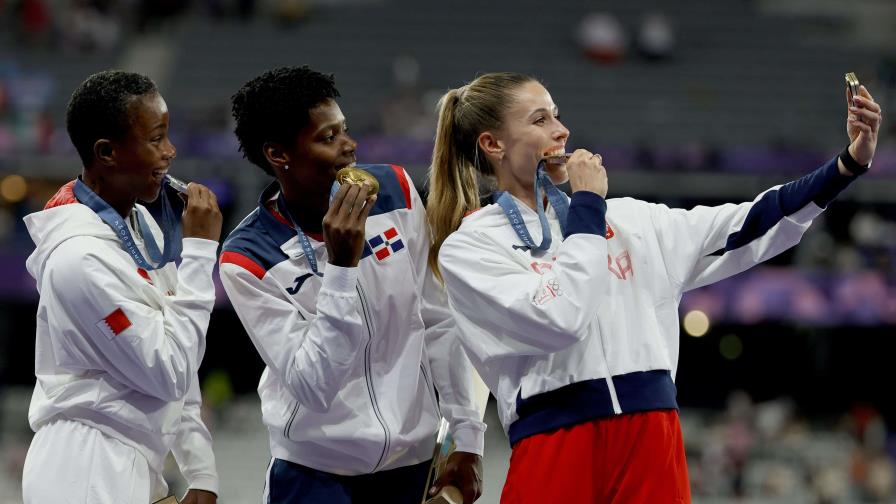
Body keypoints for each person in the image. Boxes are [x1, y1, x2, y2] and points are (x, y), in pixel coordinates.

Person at [426, 72, 882, 503]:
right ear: (493, 144)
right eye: (540, 120)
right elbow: (560, 318)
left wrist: (847, 165)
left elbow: (749, 223)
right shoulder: (471, 247)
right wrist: (586, 205)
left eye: (558, 115)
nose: (562, 131)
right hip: (554, 440)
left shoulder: (633, 219)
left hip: (652, 438)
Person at [220, 66, 485, 504]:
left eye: (344, 129)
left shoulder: (396, 190)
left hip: (413, 465)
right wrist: (341, 270)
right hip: (313, 476)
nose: (350, 146)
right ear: (278, 154)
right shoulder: (247, 258)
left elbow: (439, 321)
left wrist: (468, 436)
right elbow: (313, 385)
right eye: (328, 138)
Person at [21, 70, 222, 504]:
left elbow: (179, 350)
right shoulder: (79, 260)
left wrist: (200, 470)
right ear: (107, 152)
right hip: (85, 468)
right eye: (156, 139)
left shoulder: (140, 224)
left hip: (133, 458)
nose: (170, 152)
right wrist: (201, 253)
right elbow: (169, 370)